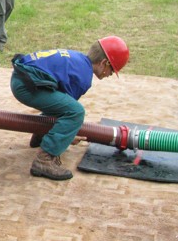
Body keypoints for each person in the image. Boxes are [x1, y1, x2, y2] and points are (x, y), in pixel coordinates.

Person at [10, 36, 129, 181]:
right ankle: (44, 160)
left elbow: (59, 105)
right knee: (76, 111)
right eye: (111, 70)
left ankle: (40, 135)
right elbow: (69, 113)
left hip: (23, 79)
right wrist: (67, 136)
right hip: (27, 85)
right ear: (104, 63)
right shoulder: (84, 76)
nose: (110, 75)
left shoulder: (78, 60)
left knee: (61, 105)